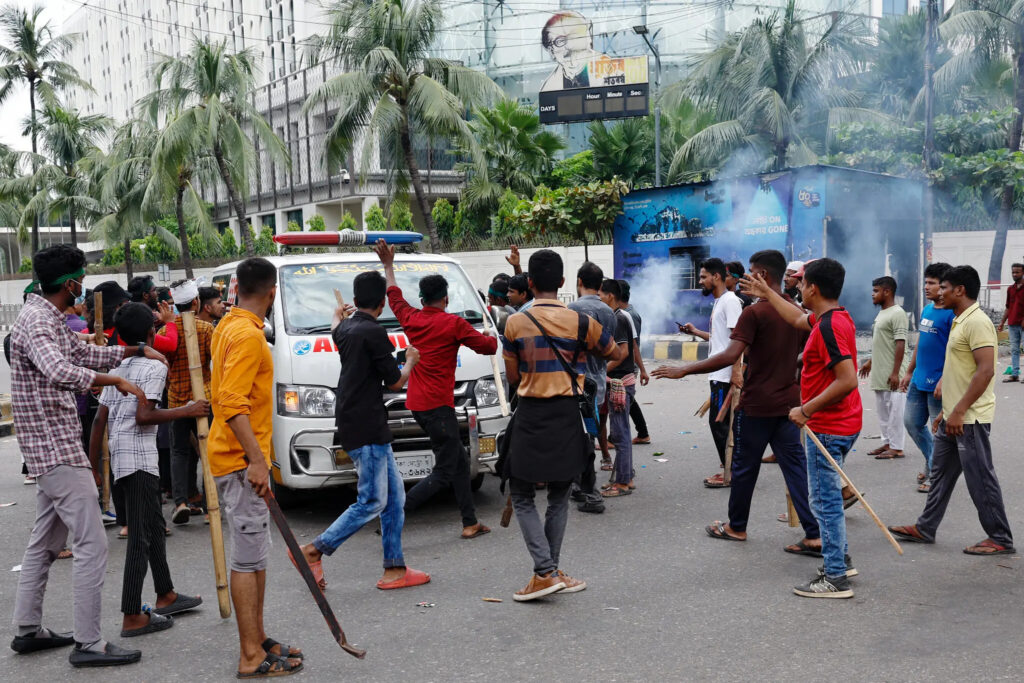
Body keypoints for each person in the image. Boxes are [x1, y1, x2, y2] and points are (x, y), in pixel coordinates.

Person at [10, 244, 165, 667]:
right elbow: (60, 372)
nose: (85, 284)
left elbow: (79, 354)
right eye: (82, 276)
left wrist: (131, 352)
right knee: (92, 544)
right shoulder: (38, 322)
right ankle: (89, 643)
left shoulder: (46, 315)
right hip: (55, 447)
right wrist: (115, 379)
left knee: (45, 542)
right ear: (70, 282)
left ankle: (27, 630)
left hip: (51, 445)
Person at [654, 250, 821, 554]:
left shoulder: (755, 312)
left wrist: (683, 370)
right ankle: (814, 534)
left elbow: (732, 355)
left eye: (751, 272)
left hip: (757, 405)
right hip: (787, 404)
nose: (744, 278)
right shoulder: (795, 311)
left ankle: (737, 527)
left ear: (764, 277)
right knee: (795, 467)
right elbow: (803, 356)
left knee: (744, 467)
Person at [296, 271, 431, 590]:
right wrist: (410, 360)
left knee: (395, 497)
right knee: (372, 500)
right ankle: (314, 550)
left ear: (355, 302)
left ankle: (395, 568)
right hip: (365, 424)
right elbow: (396, 381)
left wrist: (335, 314)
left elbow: (334, 329)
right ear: (382, 304)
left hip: (360, 420)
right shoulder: (373, 331)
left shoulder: (346, 328)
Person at [501, 249, 618, 601]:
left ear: (530, 283)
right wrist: (579, 356)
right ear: (564, 283)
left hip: (531, 414)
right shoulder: (580, 322)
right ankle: (550, 570)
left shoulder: (514, 323)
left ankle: (544, 572)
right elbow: (612, 352)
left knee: (521, 494)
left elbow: (511, 375)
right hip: (568, 415)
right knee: (559, 495)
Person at [742, 258, 862, 599]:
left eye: (802, 283)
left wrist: (805, 409)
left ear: (814, 288)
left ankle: (836, 577)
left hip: (828, 425)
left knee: (824, 501)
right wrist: (767, 291)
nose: (798, 287)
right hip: (839, 422)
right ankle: (841, 558)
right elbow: (795, 316)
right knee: (826, 499)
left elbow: (848, 380)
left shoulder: (828, 327)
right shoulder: (832, 317)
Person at [209, 257, 304, 678]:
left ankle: (258, 639)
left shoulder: (228, 325)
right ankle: (250, 656)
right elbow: (231, 402)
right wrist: (257, 459)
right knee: (248, 561)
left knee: (255, 557)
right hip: (239, 461)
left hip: (234, 458)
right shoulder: (245, 335)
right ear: (272, 292)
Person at [90, 303, 206, 638]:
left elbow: (100, 421)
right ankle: (131, 614)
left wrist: (93, 465)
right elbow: (144, 416)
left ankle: (166, 593)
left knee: (154, 527)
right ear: (152, 334)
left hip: (124, 458)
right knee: (140, 537)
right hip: (138, 459)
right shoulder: (155, 367)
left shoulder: (120, 364)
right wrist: (186, 410)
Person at [888, 266, 1015, 556]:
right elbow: (961, 371)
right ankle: (926, 527)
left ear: (960, 290)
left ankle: (1000, 537)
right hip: (954, 415)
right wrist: (948, 411)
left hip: (969, 418)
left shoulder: (977, 322)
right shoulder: (959, 319)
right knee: (940, 475)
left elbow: (985, 371)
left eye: (944, 287)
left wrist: (958, 410)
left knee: (980, 477)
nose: (939, 292)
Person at [375, 240, 497, 539]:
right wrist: (490, 333)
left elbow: (394, 296)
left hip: (417, 403)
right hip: (438, 407)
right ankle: (393, 516)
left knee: (457, 462)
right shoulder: (453, 324)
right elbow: (489, 347)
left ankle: (469, 522)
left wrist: (388, 265)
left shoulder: (411, 318)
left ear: (423, 297)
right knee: (445, 469)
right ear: (444, 298)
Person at [678, 258, 743, 488]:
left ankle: (731, 472)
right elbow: (720, 339)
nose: (700, 281)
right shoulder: (720, 302)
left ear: (716, 277)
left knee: (720, 424)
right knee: (721, 424)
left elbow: (739, 339)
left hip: (725, 376)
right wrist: (695, 331)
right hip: (718, 375)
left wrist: (736, 373)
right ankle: (730, 469)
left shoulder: (730, 302)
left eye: (704, 276)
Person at [568, 261, 620, 513]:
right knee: (589, 434)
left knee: (580, 439)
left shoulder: (572, 309)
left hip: (575, 385)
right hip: (598, 385)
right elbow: (611, 351)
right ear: (600, 286)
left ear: (579, 281)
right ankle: (581, 485)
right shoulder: (609, 312)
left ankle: (587, 489)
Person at [899, 263, 955, 493]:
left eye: (932, 283)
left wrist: (945, 379)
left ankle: (936, 474)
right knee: (912, 423)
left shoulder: (952, 315)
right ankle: (932, 462)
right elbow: (921, 343)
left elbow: (955, 352)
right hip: (918, 379)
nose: (926, 287)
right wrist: (910, 371)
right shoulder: (927, 310)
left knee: (937, 431)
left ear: (944, 287)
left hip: (938, 383)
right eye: (926, 282)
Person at [166, 280, 214, 525]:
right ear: (196, 302)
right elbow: (213, 363)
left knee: (179, 452)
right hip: (203, 398)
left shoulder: (167, 330)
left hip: (177, 400)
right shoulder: (206, 329)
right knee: (207, 449)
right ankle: (209, 507)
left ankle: (181, 502)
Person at [860, 276, 908, 459]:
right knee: (883, 412)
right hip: (880, 374)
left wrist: (896, 373)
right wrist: (870, 363)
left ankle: (897, 448)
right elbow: (880, 343)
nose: (872, 295)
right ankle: (887, 443)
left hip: (893, 374)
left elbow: (900, 343)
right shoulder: (882, 313)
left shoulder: (897, 313)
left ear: (887, 292)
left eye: (876, 291)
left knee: (895, 413)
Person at [598, 279, 638, 498]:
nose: (599, 299)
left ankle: (622, 482)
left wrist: (601, 370)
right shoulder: (615, 317)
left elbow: (622, 353)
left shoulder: (619, 318)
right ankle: (626, 476)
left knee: (620, 434)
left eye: (601, 295)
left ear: (610, 296)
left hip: (620, 382)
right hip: (620, 380)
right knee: (621, 431)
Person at [619, 281, 651, 445]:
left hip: (628, 364)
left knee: (623, 400)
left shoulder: (629, 315)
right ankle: (643, 433)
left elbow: (633, 346)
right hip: (626, 363)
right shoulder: (623, 313)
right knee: (627, 399)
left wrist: (639, 369)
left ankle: (615, 437)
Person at [127, 276, 179, 355]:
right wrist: (170, 322)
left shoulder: (131, 315)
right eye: (154, 290)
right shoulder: (139, 320)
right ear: (145, 295)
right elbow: (171, 345)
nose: (157, 293)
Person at [997, 263, 1024, 382]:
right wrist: (1002, 322)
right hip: (1013, 323)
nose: (1015, 274)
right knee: (1014, 349)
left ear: (1022, 273)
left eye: (1017, 272)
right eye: (1013, 272)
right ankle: (1015, 374)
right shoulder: (1010, 289)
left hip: (1023, 325)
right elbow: (1008, 307)